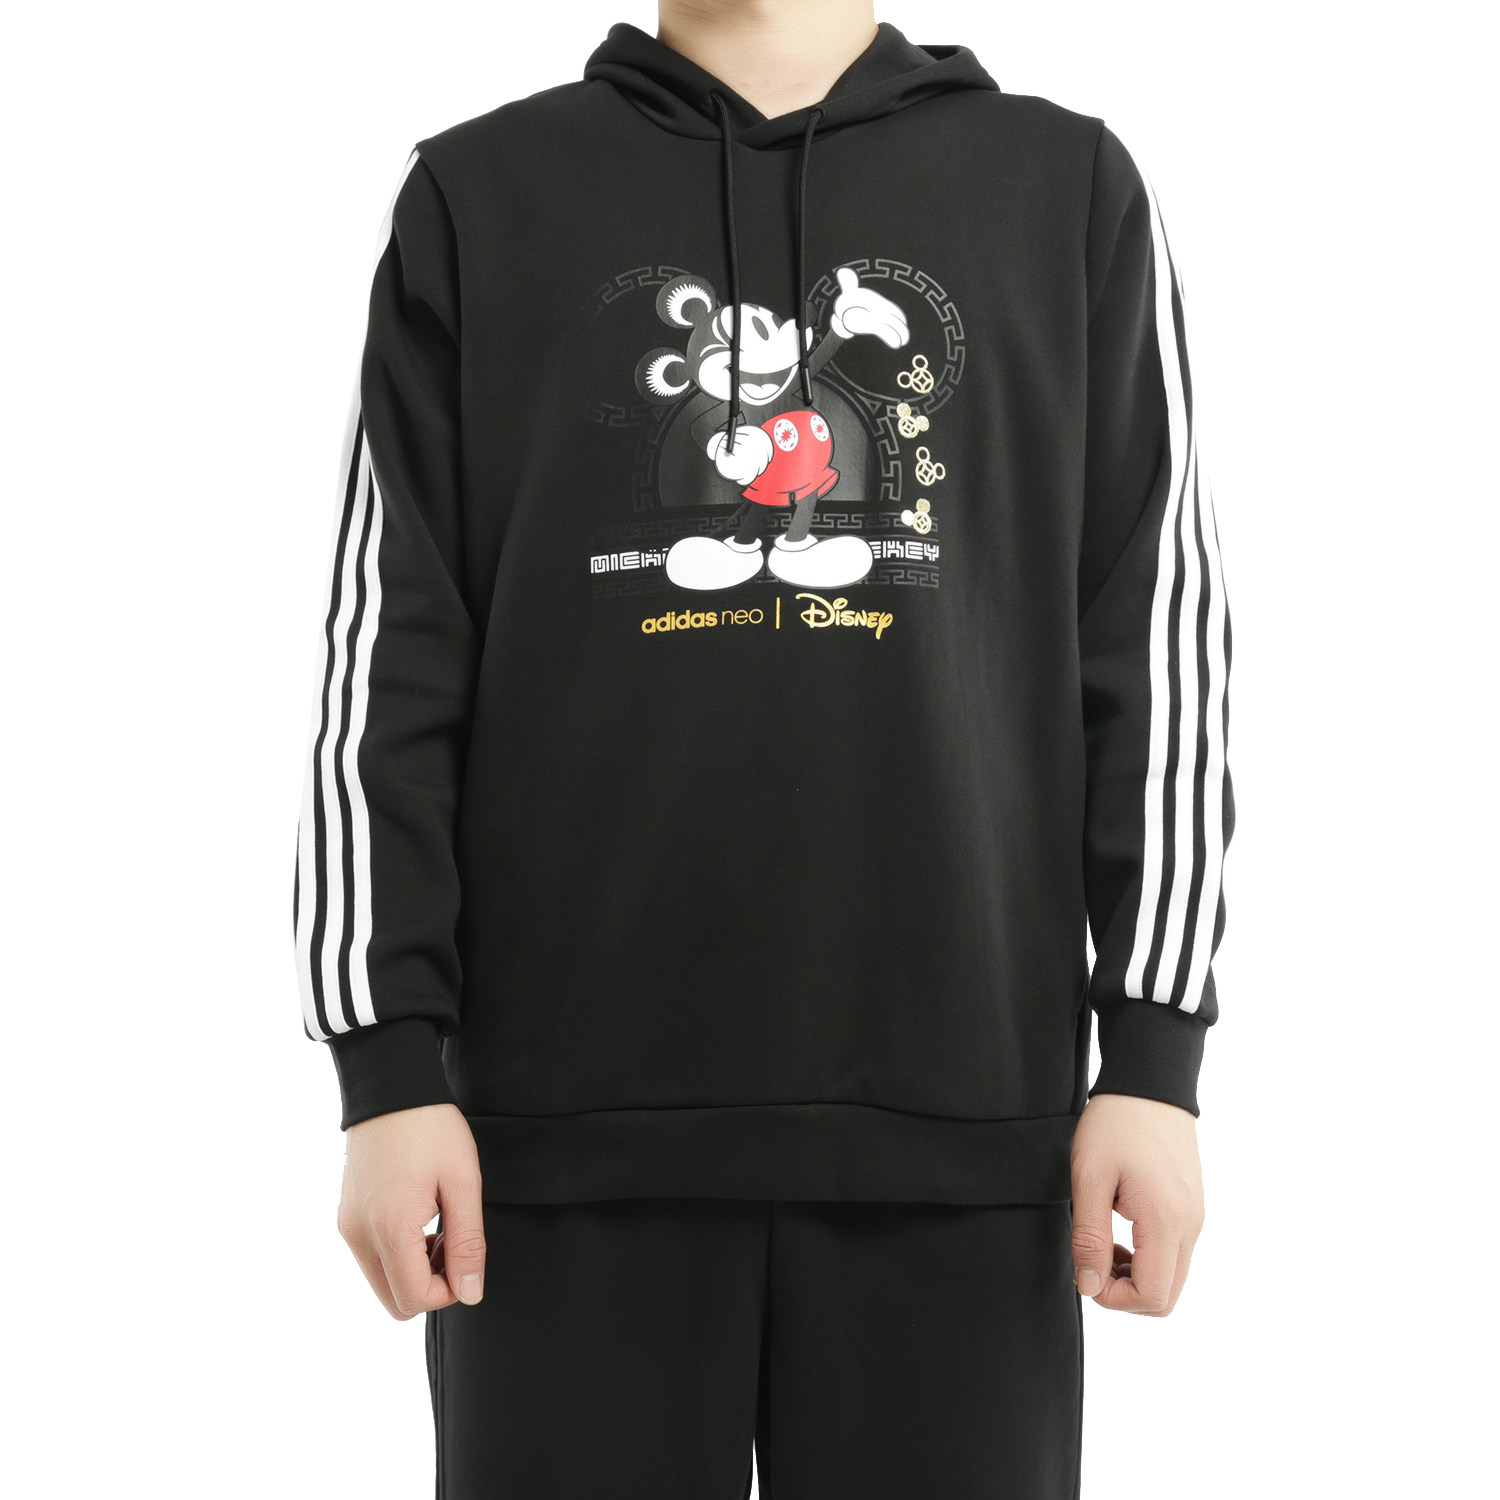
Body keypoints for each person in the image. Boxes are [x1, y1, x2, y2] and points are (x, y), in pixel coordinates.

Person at [294, 2, 1233, 1494]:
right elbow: (389, 655)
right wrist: (387, 1065)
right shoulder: (479, 197)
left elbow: (1155, 640)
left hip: (964, 1136)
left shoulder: (1066, 191)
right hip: (551, 1152)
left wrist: (1156, 1056)